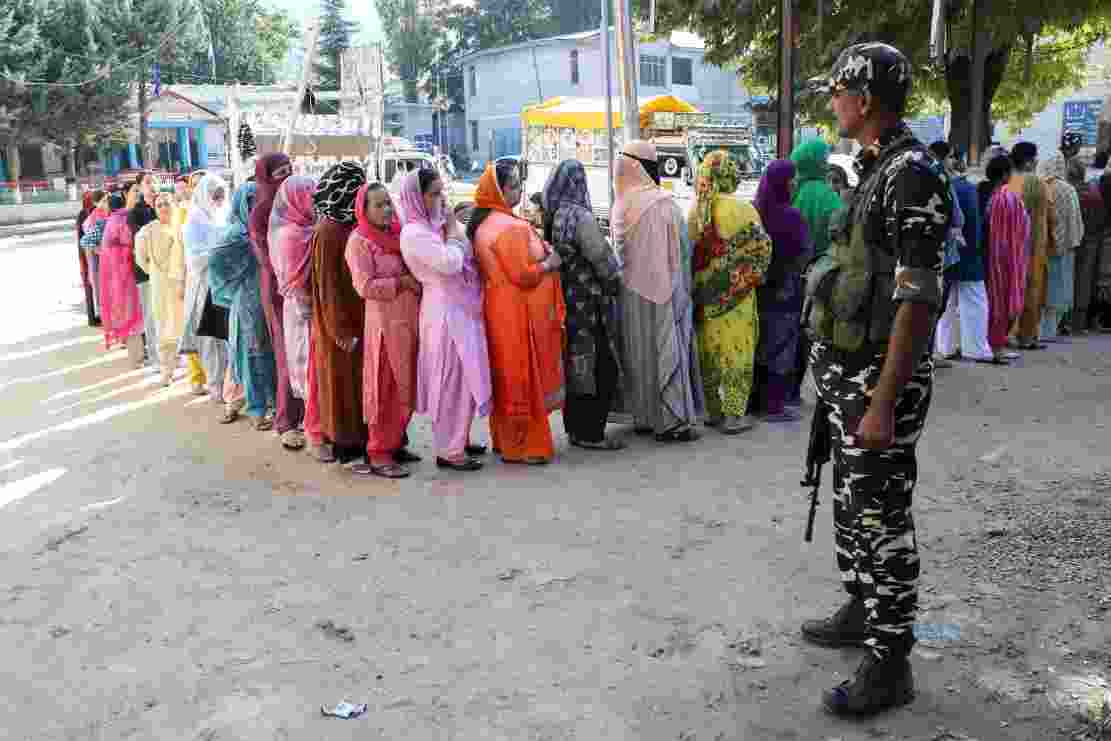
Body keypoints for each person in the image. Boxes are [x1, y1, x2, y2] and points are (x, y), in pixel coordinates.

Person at [801, 42, 951, 716]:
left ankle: (890, 661)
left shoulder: (910, 174)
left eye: (836, 91)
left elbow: (917, 296)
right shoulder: (873, 167)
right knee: (852, 506)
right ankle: (862, 607)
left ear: (861, 100)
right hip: (847, 376)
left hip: (875, 384)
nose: (830, 102)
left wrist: (882, 398)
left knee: (880, 515)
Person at [471, 161, 566, 465]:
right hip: (516, 311)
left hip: (498, 308)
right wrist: (550, 264)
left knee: (506, 375)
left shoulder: (487, 223)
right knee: (522, 376)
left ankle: (506, 440)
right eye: (512, 185)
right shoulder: (507, 227)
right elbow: (523, 275)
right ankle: (526, 446)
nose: (519, 190)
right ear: (498, 191)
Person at [400, 168, 492, 471]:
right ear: (418, 196)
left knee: (464, 376)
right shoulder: (414, 232)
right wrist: (454, 233)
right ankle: (448, 451)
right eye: (433, 193)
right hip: (443, 311)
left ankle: (459, 438)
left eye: (442, 192)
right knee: (449, 380)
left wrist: (452, 233)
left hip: (458, 307)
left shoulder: (434, 225)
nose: (441, 199)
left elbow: (463, 252)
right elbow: (450, 262)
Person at [613, 140, 704, 443]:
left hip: (629, 293)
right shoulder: (664, 203)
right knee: (665, 349)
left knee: (638, 352)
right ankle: (670, 420)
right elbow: (682, 251)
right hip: (664, 289)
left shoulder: (621, 205)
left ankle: (644, 416)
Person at [543, 159, 625, 450]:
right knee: (601, 365)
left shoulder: (554, 215)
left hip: (567, 301)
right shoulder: (581, 218)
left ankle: (576, 430)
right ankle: (592, 433)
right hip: (589, 302)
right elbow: (602, 260)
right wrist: (616, 282)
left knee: (576, 363)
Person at [688, 150, 772, 434]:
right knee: (737, 351)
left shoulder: (696, 211)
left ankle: (713, 412)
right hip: (737, 298)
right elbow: (762, 249)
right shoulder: (743, 209)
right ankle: (734, 415)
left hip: (704, 299)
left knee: (709, 352)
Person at [345, 183, 422, 478]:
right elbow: (364, 286)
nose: (387, 209)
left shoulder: (398, 234)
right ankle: (379, 452)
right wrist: (401, 283)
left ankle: (396, 442)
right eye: (378, 205)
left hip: (408, 322)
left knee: (406, 385)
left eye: (388, 202)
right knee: (385, 389)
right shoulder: (360, 241)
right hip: (384, 326)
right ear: (363, 211)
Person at [309, 162, 369, 462]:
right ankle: (346, 446)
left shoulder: (352, 226)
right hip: (340, 324)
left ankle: (368, 442)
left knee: (361, 385)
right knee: (342, 386)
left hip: (360, 318)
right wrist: (341, 332)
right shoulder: (329, 231)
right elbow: (327, 288)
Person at [209, 182, 277, 431]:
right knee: (251, 354)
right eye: (250, 202)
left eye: (258, 201)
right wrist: (237, 277)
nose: (255, 206)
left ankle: (272, 404)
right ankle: (257, 408)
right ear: (241, 204)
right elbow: (215, 262)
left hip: (267, 298)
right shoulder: (236, 234)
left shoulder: (265, 227)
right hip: (247, 301)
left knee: (270, 352)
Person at [249, 153, 304, 448]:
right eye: (279, 173)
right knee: (287, 353)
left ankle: (309, 416)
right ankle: (287, 422)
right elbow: (267, 257)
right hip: (278, 286)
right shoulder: (260, 212)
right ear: (265, 178)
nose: (287, 176)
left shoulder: (297, 201)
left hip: (301, 285)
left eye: (290, 170)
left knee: (305, 351)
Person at [790, 138, 845, 404]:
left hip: (790, 274)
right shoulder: (828, 196)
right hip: (821, 276)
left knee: (791, 333)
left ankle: (789, 389)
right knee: (817, 331)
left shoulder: (792, 191)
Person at [754, 158, 810, 422]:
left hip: (757, 288)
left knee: (759, 343)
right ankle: (774, 405)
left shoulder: (755, 211)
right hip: (786, 288)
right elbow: (803, 253)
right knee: (781, 345)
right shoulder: (792, 216)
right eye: (791, 179)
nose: (795, 183)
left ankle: (755, 401)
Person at [929, 141, 995, 363]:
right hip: (964, 253)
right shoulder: (964, 188)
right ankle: (975, 348)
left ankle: (945, 347)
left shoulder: (928, 184)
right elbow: (972, 227)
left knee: (946, 305)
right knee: (975, 301)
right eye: (951, 157)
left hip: (939, 255)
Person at [179, 173, 239, 410]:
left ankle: (227, 386)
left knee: (226, 338)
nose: (218, 200)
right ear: (204, 195)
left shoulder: (223, 217)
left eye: (221, 196)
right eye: (214, 196)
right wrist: (220, 251)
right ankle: (215, 388)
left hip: (224, 285)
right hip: (204, 288)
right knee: (210, 341)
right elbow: (194, 261)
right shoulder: (193, 223)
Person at [269, 175, 318, 447]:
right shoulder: (289, 235)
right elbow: (294, 283)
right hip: (301, 310)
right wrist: (309, 308)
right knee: (307, 367)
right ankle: (313, 433)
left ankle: (316, 429)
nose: (314, 199)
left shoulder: (307, 229)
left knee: (316, 369)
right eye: (308, 195)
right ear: (295, 200)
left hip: (310, 308)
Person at [980, 155, 1030, 362]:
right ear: (1004, 175)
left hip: (990, 256)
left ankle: (993, 344)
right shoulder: (1007, 197)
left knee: (993, 303)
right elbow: (1020, 229)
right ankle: (996, 347)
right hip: (1007, 257)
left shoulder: (988, 194)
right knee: (1002, 303)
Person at [134, 193, 186, 386]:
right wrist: (156, 273)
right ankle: (167, 371)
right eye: (159, 204)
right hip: (161, 285)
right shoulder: (147, 231)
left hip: (182, 284)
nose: (163, 207)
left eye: (167, 203)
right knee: (165, 327)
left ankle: (192, 370)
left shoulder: (182, 227)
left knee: (185, 325)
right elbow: (141, 260)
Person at [1009, 142, 1054, 350]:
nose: (1037, 161)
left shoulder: (1008, 182)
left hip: (1009, 246)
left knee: (1008, 288)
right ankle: (1026, 336)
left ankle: (1007, 333)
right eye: (1035, 157)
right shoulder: (1038, 184)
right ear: (1028, 161)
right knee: (1032, 290)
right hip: (1034, 245)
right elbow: (1052, 217)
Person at [1038, 153, 1084, 342]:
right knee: (1060, 288)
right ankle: (1050, 330)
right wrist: (1072, 239)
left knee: (1042, 288)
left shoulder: (1040, 187)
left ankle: (1038, 329)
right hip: (1065, 248)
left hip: (1043, 246)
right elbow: (1076, 220)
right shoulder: (1069, 189)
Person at [99, 190, 145, 365]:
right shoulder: (126, 218)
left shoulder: (114, 221)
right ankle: (139, 356)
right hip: (132, 271)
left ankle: (136, 358)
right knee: (137, 315)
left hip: (119, 276)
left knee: (129, 315)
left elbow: (110, 249)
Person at [1069, 158, 1107, 334]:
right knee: (1084, 281)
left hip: (1071, 242)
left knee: (1067, 280)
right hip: (1091, 240)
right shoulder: (1093, 191)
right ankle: (1079, 322)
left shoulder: (1069, 191)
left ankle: (1064, 322)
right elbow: (1101, 218)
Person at [128, 172, 160, 373]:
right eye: (148, 182)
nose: (153, 185)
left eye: (155, 181)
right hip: (146, 270)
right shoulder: (136, 212)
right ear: (139, 187)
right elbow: (140, 242)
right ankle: (156, 357)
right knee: (151, 313)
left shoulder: (165, 205)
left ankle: (172, 353)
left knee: (168, 312)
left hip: (168, 270)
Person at [76, 190, 101, 327]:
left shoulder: (83, 214)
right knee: (93, 285)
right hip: (90, 253)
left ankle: (93, 317)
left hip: (85, 254)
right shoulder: (88, 215)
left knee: (90, 286)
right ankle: (95, 316)